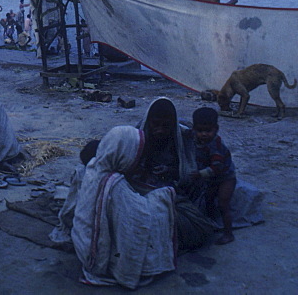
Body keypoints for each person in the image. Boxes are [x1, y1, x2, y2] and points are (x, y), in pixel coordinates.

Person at [71, 126, 177, 290]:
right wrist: (162, 196)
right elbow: (138, 217)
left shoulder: (95, 165)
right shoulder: (115, 183)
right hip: (97, 258)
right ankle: (127, 271)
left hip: (83, 242)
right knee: (160, 206)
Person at [131, 97, 215, 251]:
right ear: (149, 121)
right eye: (156, 124)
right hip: (145, 187)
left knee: (194, 226)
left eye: (166, 126)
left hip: (175, 187)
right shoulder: (138, 135)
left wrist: (170, 171)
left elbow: (189, 170)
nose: (160, 130)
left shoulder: (184, 137)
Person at [188, 106, 237, 245]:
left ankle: (228, 233)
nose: (204, 134)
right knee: (208, 200)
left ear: (216, 129)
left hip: (225, 177)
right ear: (194, 129)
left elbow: (217, 167)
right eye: (200, 131)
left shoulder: (215, 145)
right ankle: (210, 224)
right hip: (211, 178)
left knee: (223, 203)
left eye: (208, 131)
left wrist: (199, 174)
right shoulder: (196, 138)